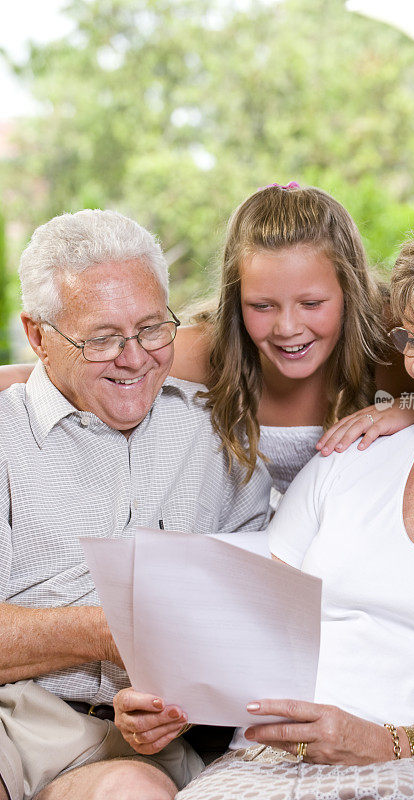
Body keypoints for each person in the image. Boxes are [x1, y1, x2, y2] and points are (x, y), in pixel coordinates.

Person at [114, 209, 414, 800]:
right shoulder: (351, 456)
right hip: (268, 762)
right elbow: (253, 638)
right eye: (412, 340)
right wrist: (169, 701)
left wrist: (390, 741)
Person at [0, 209, 271, 800]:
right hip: (9, 714)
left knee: (133, 791)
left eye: (153, 329)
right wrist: (109, 628)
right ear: (39, 336)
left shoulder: (217, 436)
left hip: (133, 746)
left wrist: (186, 702)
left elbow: (251, 621)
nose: (134, 357)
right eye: (101, 338)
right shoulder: (5, 433)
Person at [0, 184, 414, 496]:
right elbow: (45, 371)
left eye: (312, 303)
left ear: (350, 292)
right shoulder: (207, 350)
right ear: (236, 299)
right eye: (262, 306)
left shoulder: (393, 347)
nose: (288, 328)